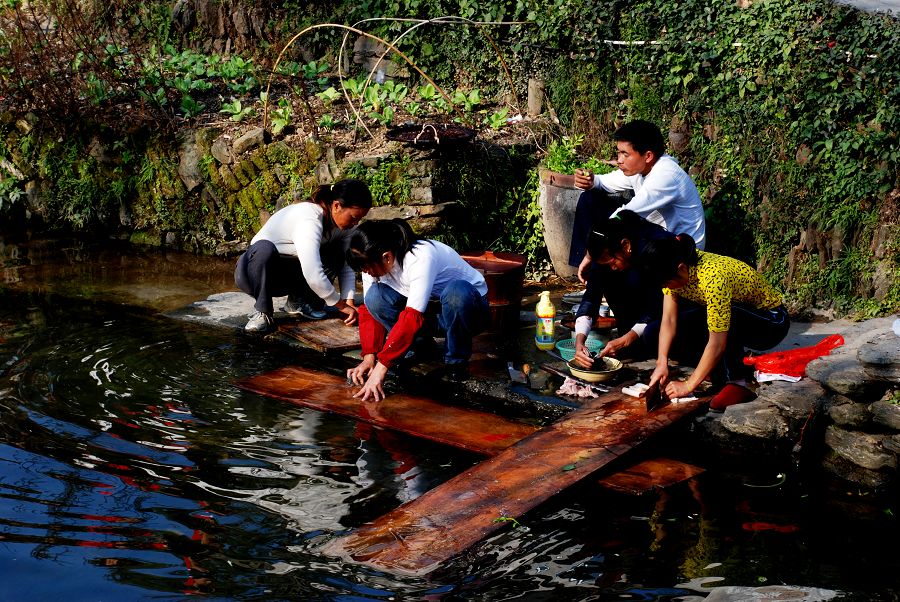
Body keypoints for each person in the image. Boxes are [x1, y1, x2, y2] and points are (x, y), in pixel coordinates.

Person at [345, 219, 490, 402]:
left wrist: (382, 367)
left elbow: (412, 316)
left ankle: (456, 363)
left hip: (470, 312)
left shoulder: (420, 256)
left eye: (367, 268)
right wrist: (369, 356)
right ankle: (423, 348)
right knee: (375, 296)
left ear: (387, 257)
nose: (366, 273)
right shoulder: (373, 264)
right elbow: (368, 310)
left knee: (456, 292)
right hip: (431, 312)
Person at [644, 235, 790, 411]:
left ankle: (738, 383)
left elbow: (717, 342)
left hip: (772, 321)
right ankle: (715, 370)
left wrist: (689, 385)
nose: (668, 287)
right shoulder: (673, 265)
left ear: (681, 268)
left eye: (668, 283)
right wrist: (662, 362)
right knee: (652, 333)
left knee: (726, 317)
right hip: (737, 316)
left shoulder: (713, 278)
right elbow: (669, 320)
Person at [570, 119, 706, 283]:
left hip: (679, 249)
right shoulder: (640, 169)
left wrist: (592, 253)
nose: (619, 160)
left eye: (625, 154)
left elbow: (626, 215)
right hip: (657, 237)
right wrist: (591, 181)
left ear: (648, 156)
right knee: (590, 198)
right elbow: (604, 183)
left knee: (616, 227)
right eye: (618, 153)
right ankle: (590, 278)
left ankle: (601, 280)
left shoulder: (666, 175)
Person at [234, 179, 372, 333]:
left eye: (359, 219)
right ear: (337, 206)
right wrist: (339, 304)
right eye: (353, 217)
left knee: (336, 251)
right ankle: (262, 311)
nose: (355, 223)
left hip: (288, 275)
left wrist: (349, 301)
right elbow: (313, 273)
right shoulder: (310, 217)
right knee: (264, 248)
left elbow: (346, 264)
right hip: (253, 274)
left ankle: (299, 302)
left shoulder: (345, 227)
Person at [571, 210, 679, 368]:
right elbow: (590, 297)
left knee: (650, 335)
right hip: (635, 319)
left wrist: (628, 338)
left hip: (670, 314)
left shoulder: (652, 251)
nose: (612, 268)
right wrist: (579, 341)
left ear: (626, 245)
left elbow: (658, 306)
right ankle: (630, 338)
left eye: (612, 262)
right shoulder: (604, 260)